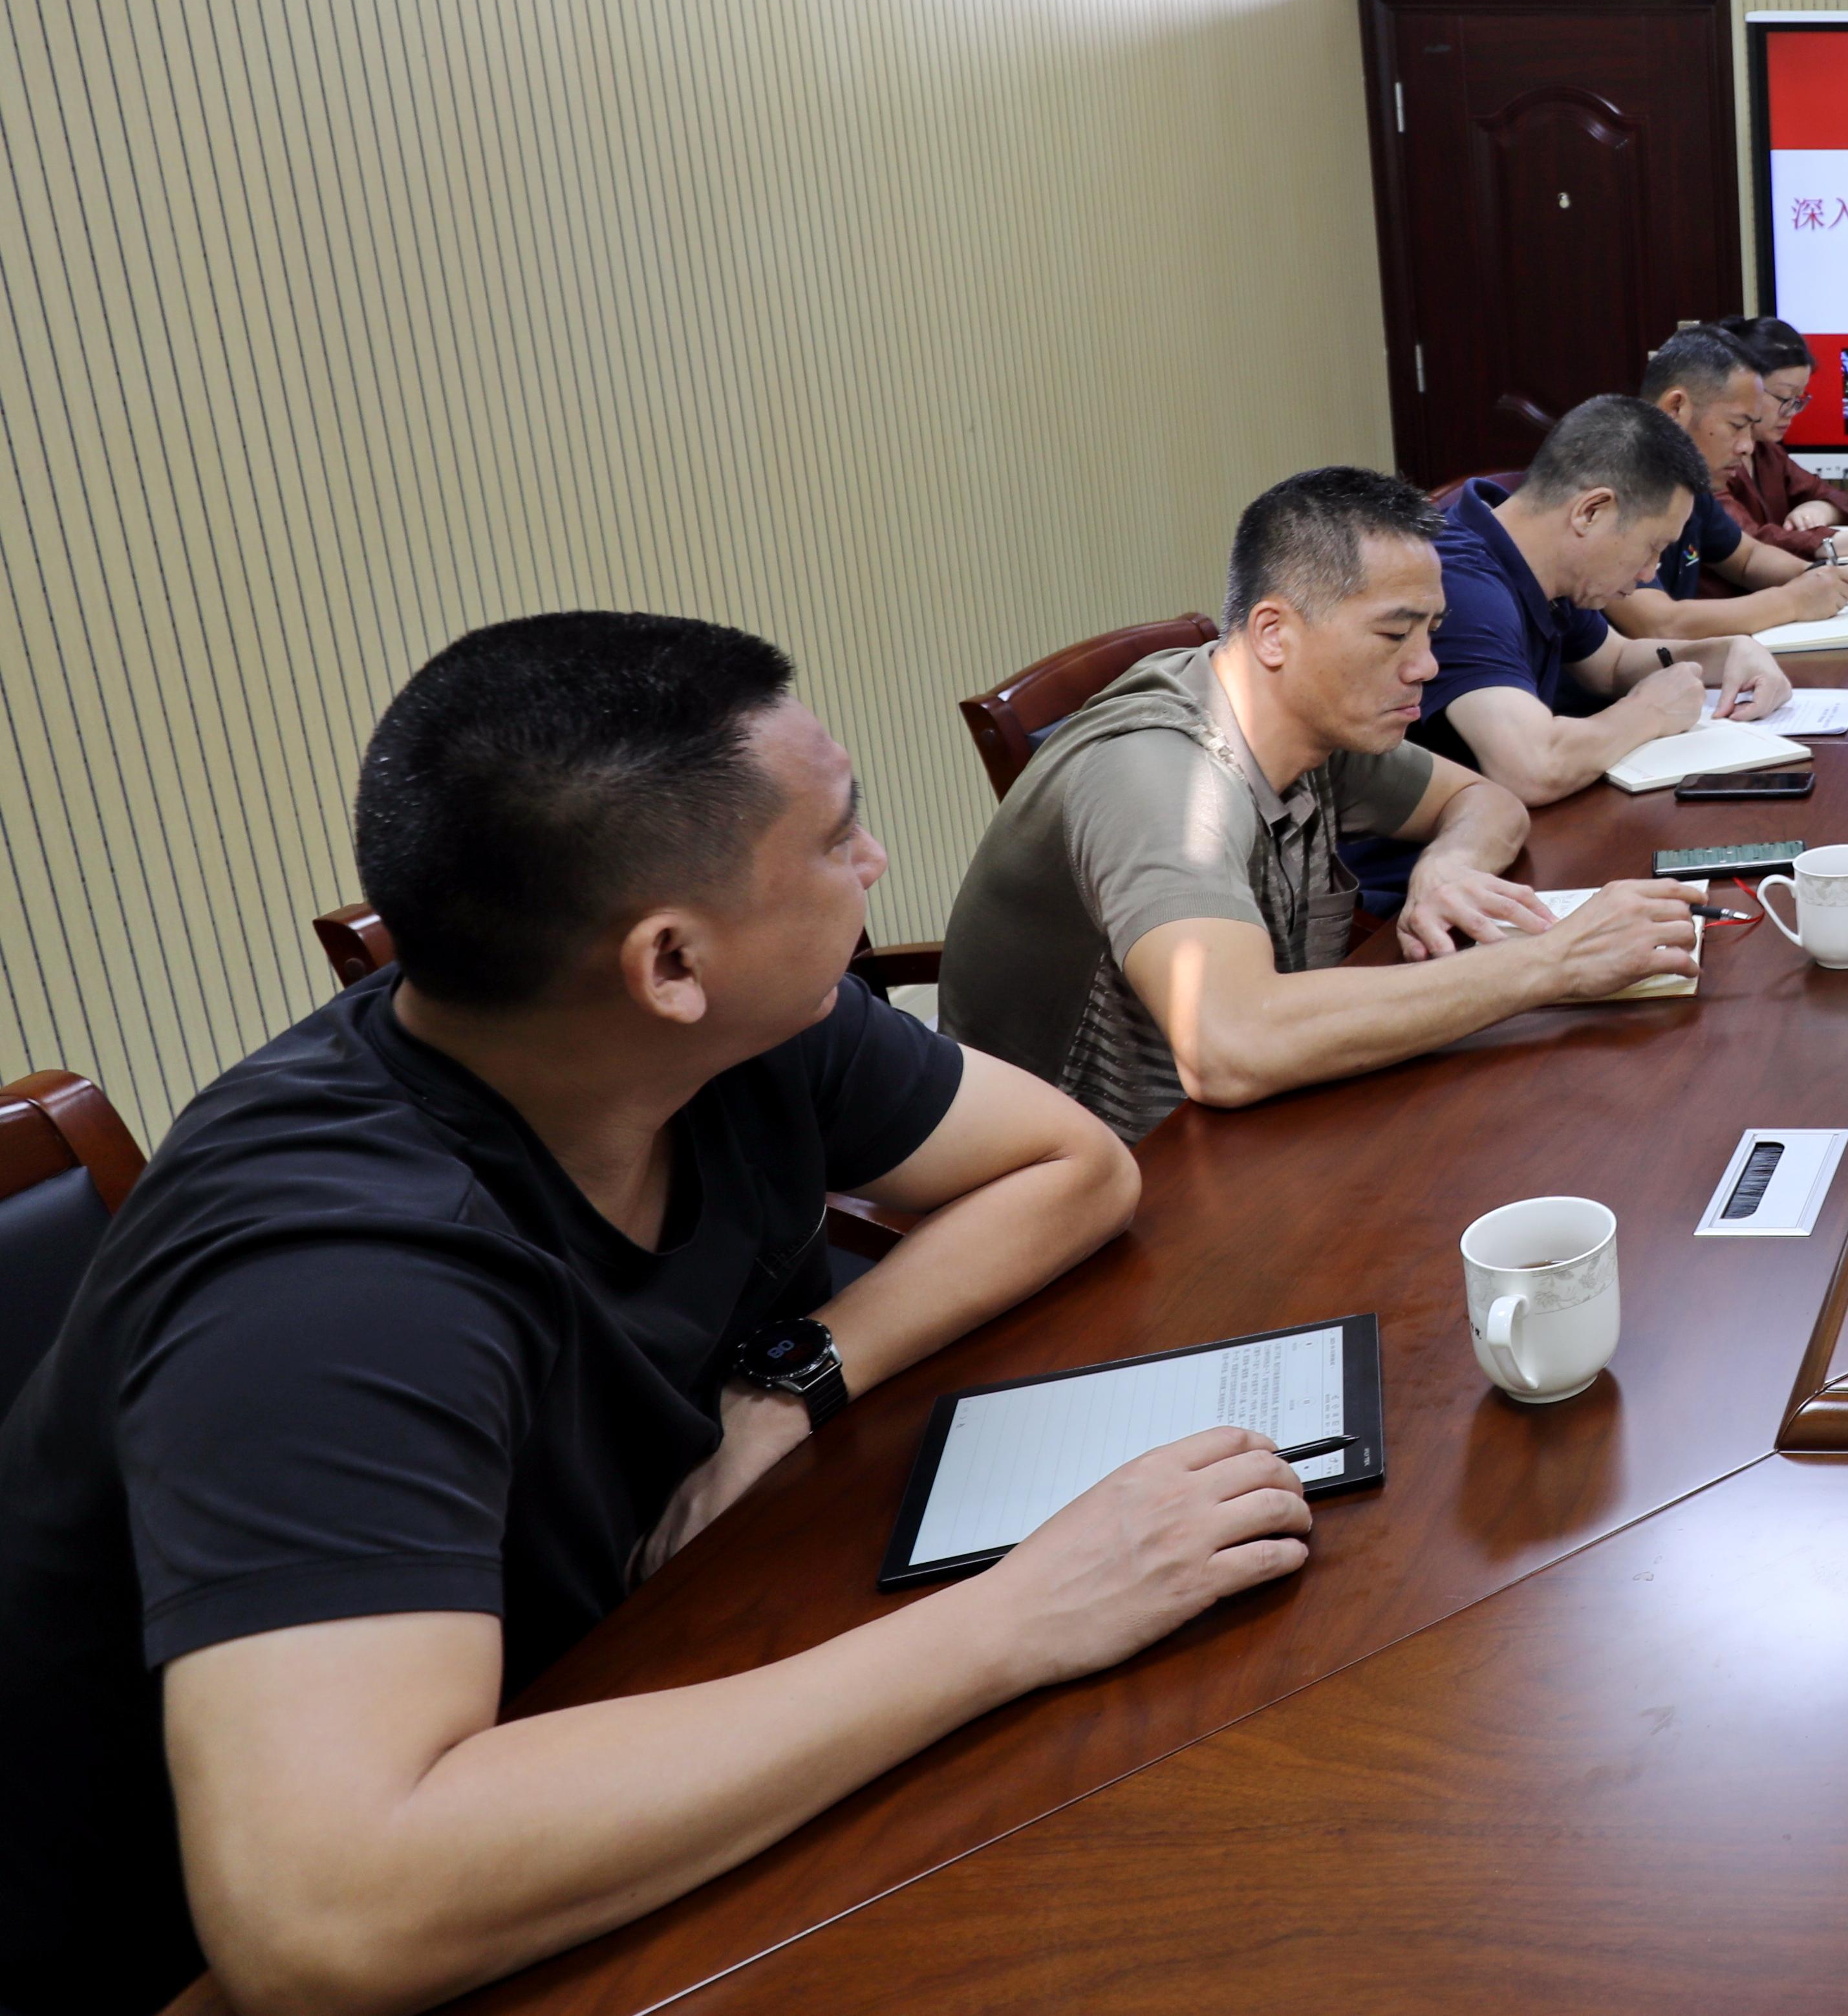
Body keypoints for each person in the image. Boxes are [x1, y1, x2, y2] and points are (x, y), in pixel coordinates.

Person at [0, 614, 1313, 2016]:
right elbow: (329, 1916)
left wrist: (790, 1384)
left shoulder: (731, 1025)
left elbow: (1072, 1167)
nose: (874, 862)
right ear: (670, 963)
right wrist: (1021, 1617)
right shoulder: (327, 1283)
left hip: (616, 1681)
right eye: (836, 839)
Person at [938, 467, 1702, 1140]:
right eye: (1394, 634)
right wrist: (1554, 962)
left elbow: (1486, 801)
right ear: (1274, 633)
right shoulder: (1161, 779)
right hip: (1099, 1177)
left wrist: (1449, 867)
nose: (1426, 666)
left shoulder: (1303, 717)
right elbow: (1229, 1046)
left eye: (1432, 631)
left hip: (1251, 1127)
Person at [1417, 394, 1798, 805]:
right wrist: (1650, 711)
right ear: (1591, 512)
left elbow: (1612, 664)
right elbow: (1534, 767)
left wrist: (1726, 652)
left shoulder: (1542, 558)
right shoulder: (1459, 582)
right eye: (1652, 547)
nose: (1649, 573)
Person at [1605, 328, 1848, 641]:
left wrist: (1818, 575)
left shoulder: (1688, 482)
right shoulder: (1612, 484)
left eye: (1751, 429)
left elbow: (1749, 558)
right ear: (1676, 408)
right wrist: (1793, 601)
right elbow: (1658, 623)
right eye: (1737, 426)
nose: (1747, 446)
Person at [1712, 315, 1848, 564]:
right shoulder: (1708, 459)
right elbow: (1746, 546)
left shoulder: (1767, 452)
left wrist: (1819, 509)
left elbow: (1838, 498)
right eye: (1784, 398)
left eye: (1799, 399)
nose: (1792, 412)